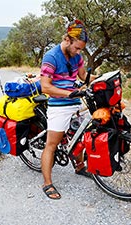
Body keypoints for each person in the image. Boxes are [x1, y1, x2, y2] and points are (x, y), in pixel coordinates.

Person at [40, 20, 93, 200]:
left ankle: (79, 167)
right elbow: (45, 87)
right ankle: (47, 184)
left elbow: (83, 76)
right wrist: (68, 94)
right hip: (59, 105)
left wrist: (103, 79)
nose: (79, 52)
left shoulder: (77, 57)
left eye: (81, 49)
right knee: (52, 145)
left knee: (78, 135)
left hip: (74, 101)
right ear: (68, 39)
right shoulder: (51, 57)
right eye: (77, 48)